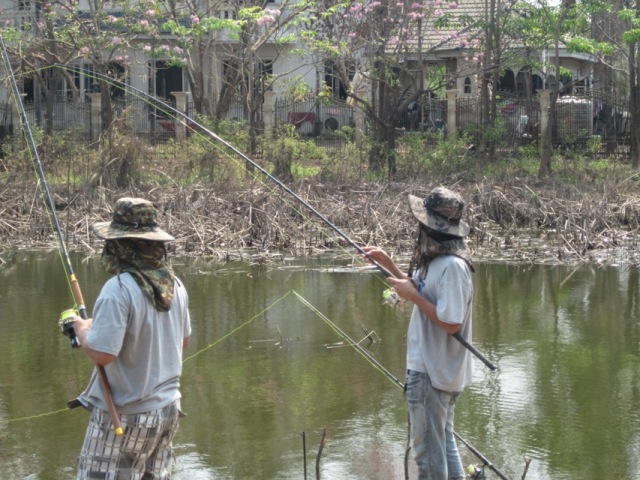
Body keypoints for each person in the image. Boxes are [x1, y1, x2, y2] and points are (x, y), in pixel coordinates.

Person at [72, 197, 192, 479]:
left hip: (127, 414)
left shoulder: (118, 289)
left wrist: (81, 330)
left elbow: (103, 354)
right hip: (168, 409)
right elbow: (183, 341)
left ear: (121, 246)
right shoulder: (174, 284)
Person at [362, 186, 474, 480]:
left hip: (431, 373)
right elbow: (416, 290)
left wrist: (412, 297)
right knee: (444, 443)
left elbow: (452, 323)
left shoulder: (452, 267)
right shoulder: (436, 263)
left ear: (431, 227)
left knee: (427, 456)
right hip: (437, 372)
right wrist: (386, 262)